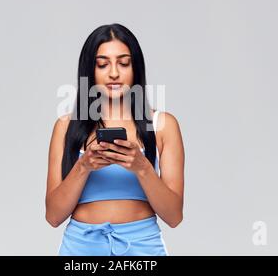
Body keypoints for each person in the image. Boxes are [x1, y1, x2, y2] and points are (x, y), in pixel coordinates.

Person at [45, 23, 185, 256]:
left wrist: (142, 168)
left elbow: (174, 216)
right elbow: (53, 216)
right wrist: (84, 166)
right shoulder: (65, 127)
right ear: (90, 71)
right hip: (81, 247)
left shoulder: (162, 125)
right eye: (102, 64)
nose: (113, 73)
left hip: (142, 247)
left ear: (135, 67)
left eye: (123, 63)